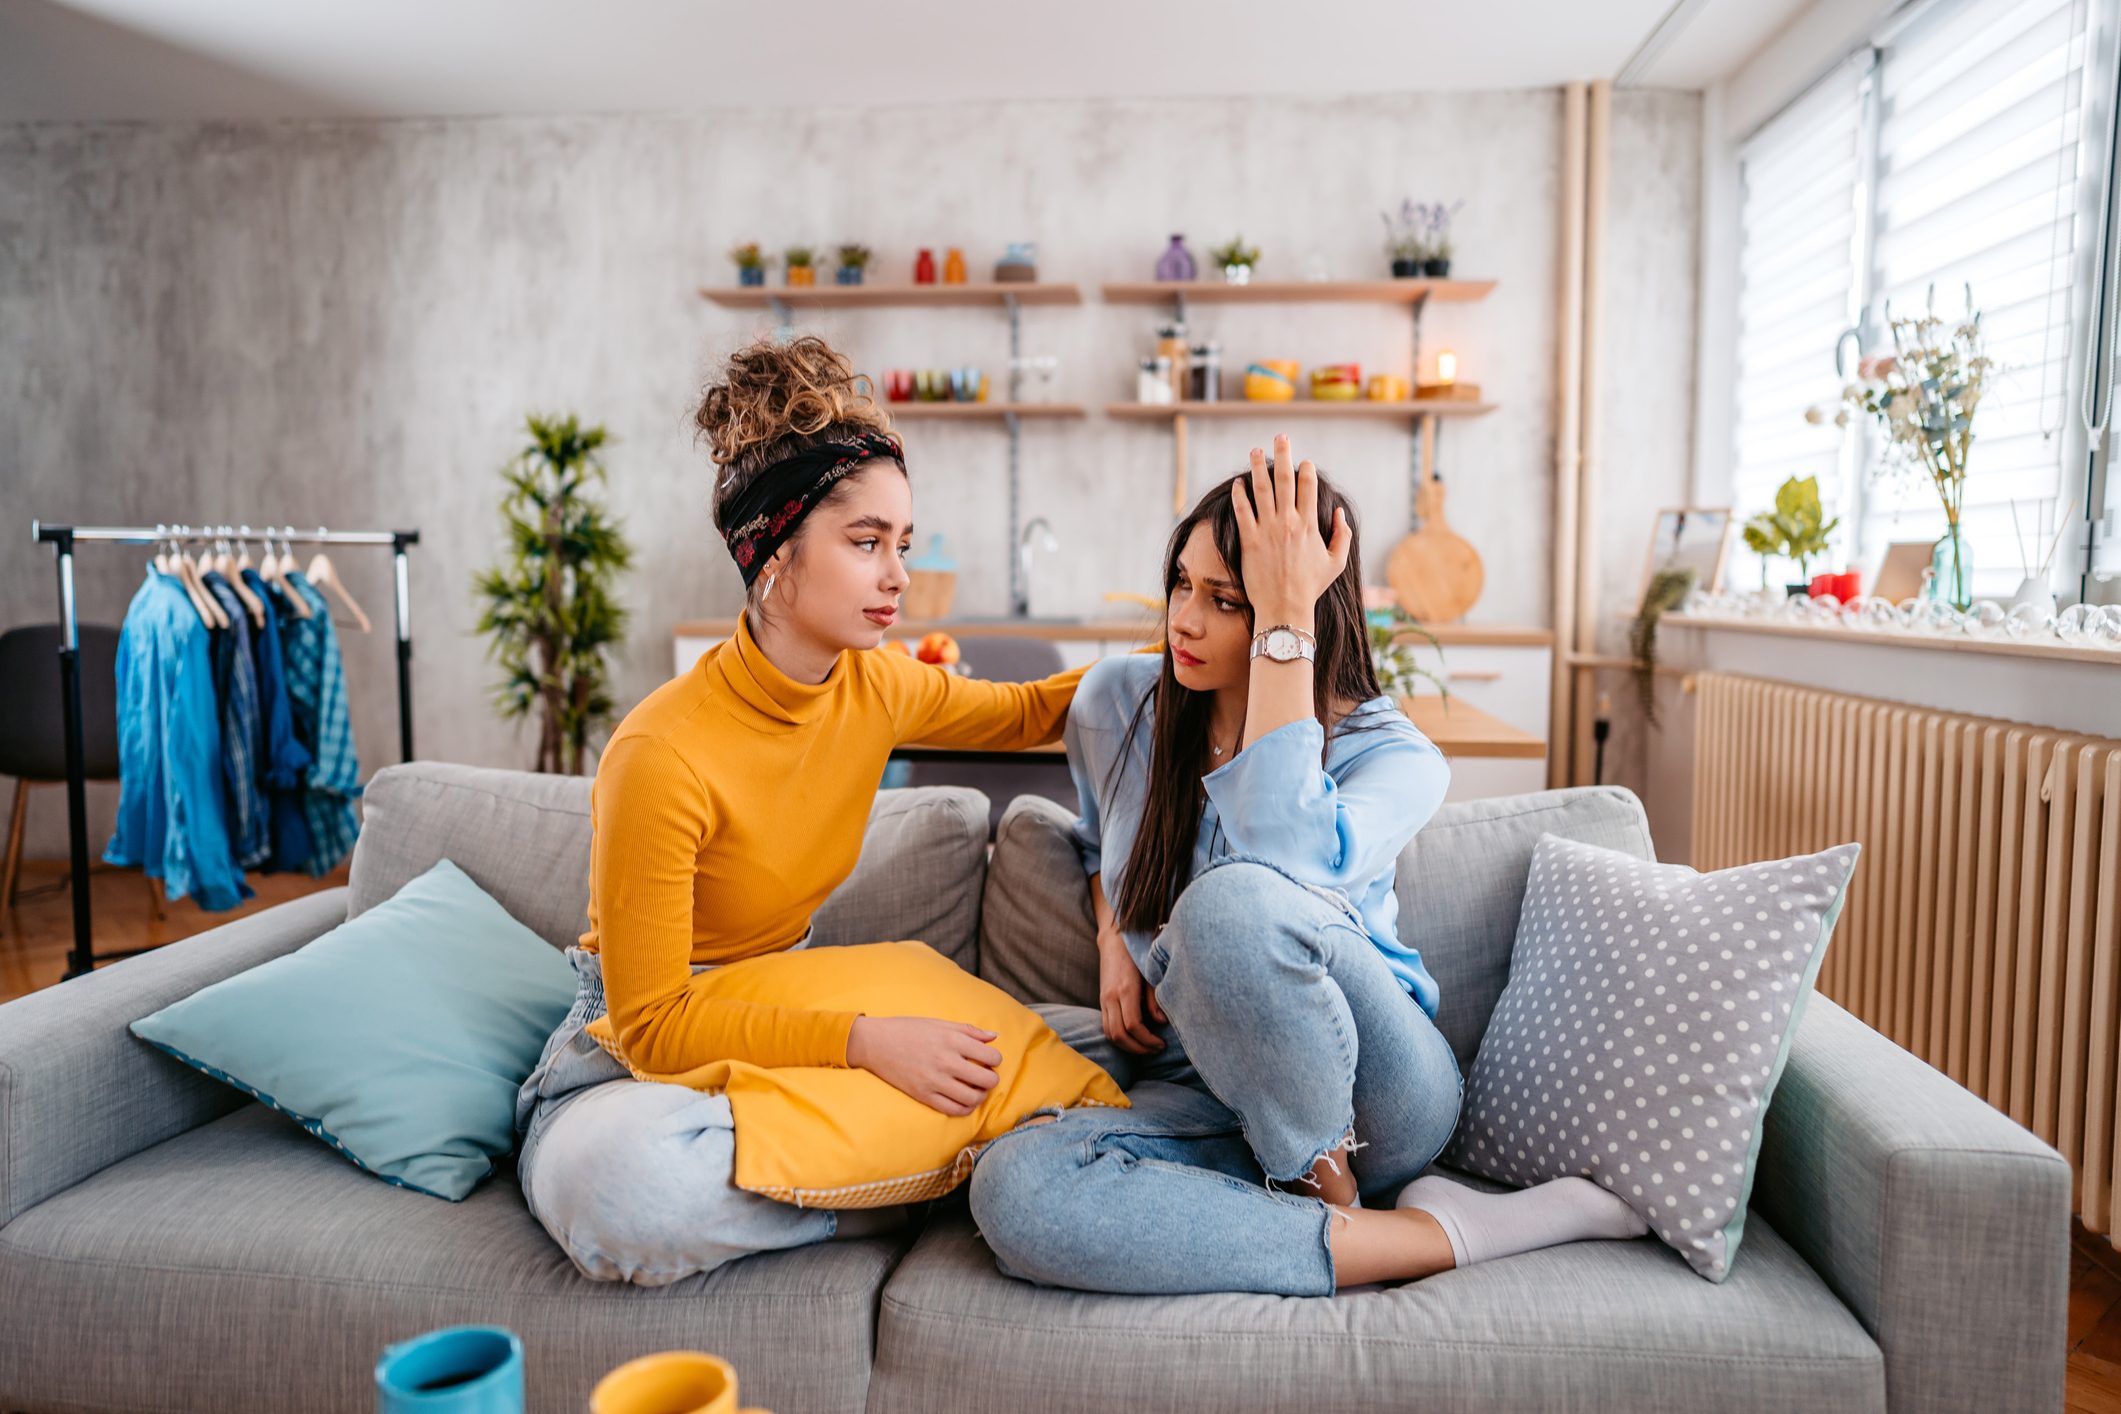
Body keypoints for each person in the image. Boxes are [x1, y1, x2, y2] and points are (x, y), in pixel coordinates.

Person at [969, 436, 1646, 1295]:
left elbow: (1274, 869)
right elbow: (1105, 843)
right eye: (1181, 583)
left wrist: (1282, 624)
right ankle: (1416, 1236)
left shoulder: (1397, 758)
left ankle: (1328, 1183)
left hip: (1378, 1089)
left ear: (1306, 609)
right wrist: (1114, 941)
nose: (1182, 618)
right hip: (1209, 1086)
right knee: (1017, 1191)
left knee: (1228, 906)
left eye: (1226, 600)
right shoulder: (1117, 701)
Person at [513, 335, 1090, 1284]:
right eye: (866, 544)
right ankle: (896, 1196)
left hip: (787, 1008)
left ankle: (875, 1179)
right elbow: (653, 1023)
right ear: (774, 554)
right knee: (616, 1187)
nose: (898, 576)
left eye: (900, 544)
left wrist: (1180, 660)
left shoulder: (877, 685)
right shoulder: (660, 752)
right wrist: (865, 1043)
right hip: (641, 1055)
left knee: (1042, 1053)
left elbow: (1032, 710)